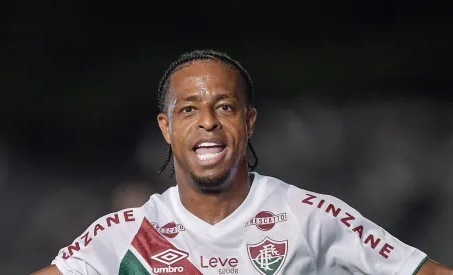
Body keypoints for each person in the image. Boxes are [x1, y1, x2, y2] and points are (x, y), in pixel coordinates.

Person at [31, 49, 452, 275]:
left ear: (248, 122)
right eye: (189, 110)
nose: (208, 123)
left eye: (226, 107)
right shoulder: (125, 235)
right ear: (166, 127)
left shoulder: (310, 216)